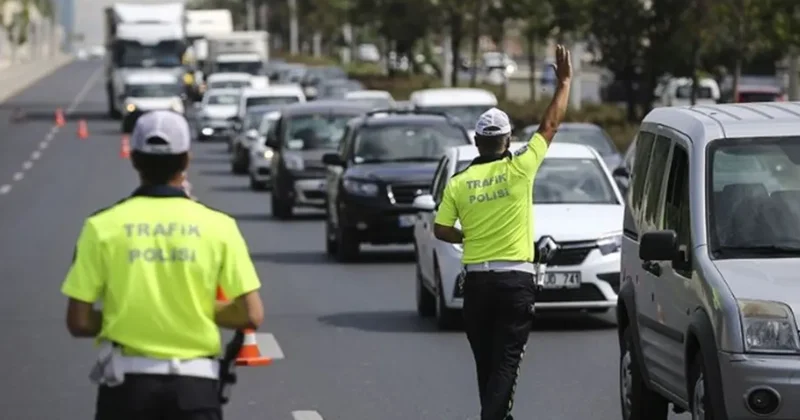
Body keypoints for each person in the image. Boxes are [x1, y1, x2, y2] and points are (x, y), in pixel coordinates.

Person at [61, 110, 265, 420]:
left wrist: (131, 314)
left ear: (134, 159)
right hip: (196, 389)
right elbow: (251, 314)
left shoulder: (101, 227)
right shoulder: (219, 226)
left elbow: (79, 321)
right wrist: (190, 308)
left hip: (126, 388)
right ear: (186, 161)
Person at [432, 45, 572, 420]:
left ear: (477, 142)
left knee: (487, 365)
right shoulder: (521, 168)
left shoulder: (460, 182)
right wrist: (564, 83)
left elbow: (441, 229)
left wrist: (468, 238)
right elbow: (549, 126)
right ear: (508, 141)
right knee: (506, 365)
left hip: (477, 285)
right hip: (515, 283)